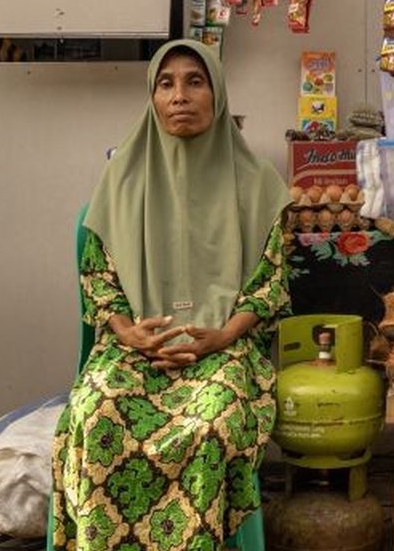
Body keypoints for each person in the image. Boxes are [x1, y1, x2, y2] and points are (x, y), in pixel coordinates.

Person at [51, 40, 290, 550]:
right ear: (153, 98)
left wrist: (220, 335)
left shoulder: (258, 185)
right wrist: (129, 332)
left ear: (218, 95)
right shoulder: (119, 180)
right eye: (166, 83)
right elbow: (100, 278)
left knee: (209, 423)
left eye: (195, 81)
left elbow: (268, 285)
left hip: (223, 350)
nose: (180, 95)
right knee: (96, 412)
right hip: (135, 349)